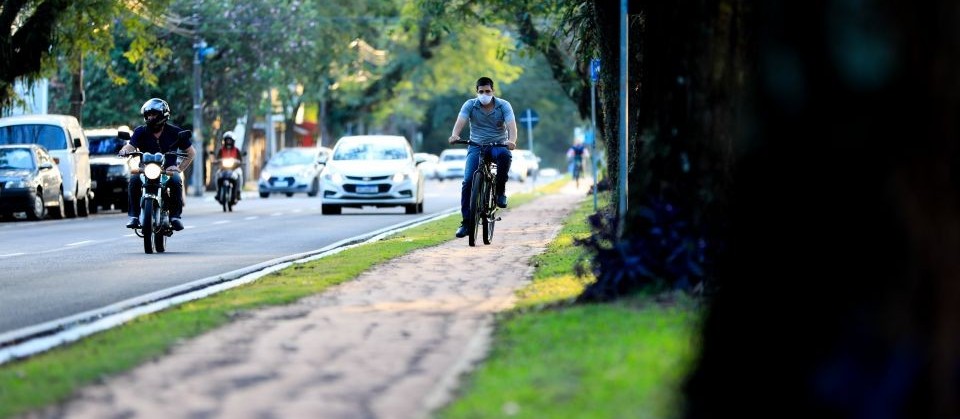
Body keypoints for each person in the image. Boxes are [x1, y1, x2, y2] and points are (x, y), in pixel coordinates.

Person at [448, 77, 518, 238]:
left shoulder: (504, 105)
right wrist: (454, 135)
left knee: (505, 156)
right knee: (467, 181)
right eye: (481, 92)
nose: (484, 94)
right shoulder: (470, 105)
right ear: (476, 92)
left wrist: (512, 141)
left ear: (493, 91)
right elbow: (461, 121)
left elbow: (512, 127)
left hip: (497, 146)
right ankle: (466, 223)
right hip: (476, 146)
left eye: (487, 91)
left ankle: (500, 192)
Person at [119, 98, 196, 231]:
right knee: (134, 180)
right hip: (145, 170)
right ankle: (134, 216)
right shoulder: (140, 131)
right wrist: (124, 151)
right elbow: (131, 146)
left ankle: (175, 217)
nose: (150, 117)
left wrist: (179, 168)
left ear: (163, 115)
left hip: (168, 171)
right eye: (148, 115)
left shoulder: (175, 132)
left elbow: (191, 153)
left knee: (177, 180)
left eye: (153, 114)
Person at [214, 131, 243, 203]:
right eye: (227, 140)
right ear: (224, 140)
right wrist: (217, 161)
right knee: (217, 174)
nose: (228, 141)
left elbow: (240, 159)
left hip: (234, 169)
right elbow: (217, 158)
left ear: (233, 141)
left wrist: (239, 162)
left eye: (230, 140)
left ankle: (238, 192)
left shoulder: (236, 150)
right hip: (223, 169)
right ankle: (218, 192)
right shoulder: (221, 150)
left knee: (240, 174)